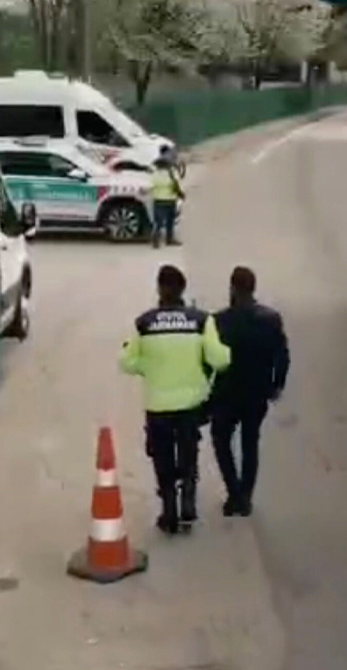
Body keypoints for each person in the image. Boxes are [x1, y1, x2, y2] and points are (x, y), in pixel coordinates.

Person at [120, 265, 230, 534]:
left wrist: (150, 367)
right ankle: (188, 505)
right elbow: (220, 360)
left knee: (163, 459)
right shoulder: (201, 320)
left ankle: (169, 512)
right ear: (183, 288)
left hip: (158, 406)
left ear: (159, 288)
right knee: (189, 455)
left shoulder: (144, 323)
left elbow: (127, 362)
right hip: (191, 405)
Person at [210, 267, 290, 517]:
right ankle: (245, 496)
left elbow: (209, 359)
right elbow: (282, 356)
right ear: (253, 288)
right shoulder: (271, 319)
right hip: (257, 392)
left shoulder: (219, 320)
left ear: (232, 288)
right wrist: (277, 385)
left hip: (227, 393)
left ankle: (234, 493)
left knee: (221, 439)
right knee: (250, 442)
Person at [149, 155, 185, 249]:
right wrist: (181, 194)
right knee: (170, 222)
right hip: (170, 200)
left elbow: (149, 186)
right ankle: (169, 239)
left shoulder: (154, 175)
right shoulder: (171, 173)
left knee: (158, 222)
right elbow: (176, 185)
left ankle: (155, 240)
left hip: (158, 201)